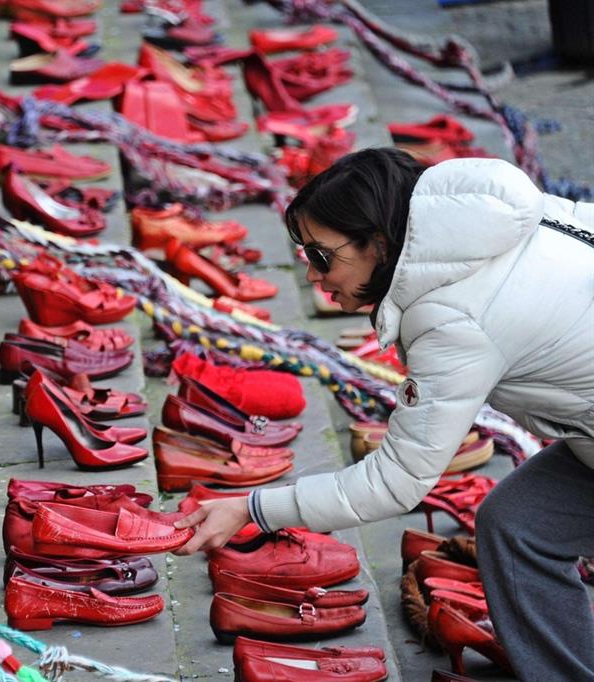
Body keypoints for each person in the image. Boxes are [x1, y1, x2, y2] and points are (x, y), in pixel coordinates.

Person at [173, 148, 594, 681]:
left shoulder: (448, 316)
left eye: (322, 257)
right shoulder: (497, 222)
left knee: (521, 526)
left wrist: (251, 509)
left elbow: (395, 482)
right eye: (304, 256)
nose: (312, 277)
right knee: (518, 525)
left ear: (379, 242)